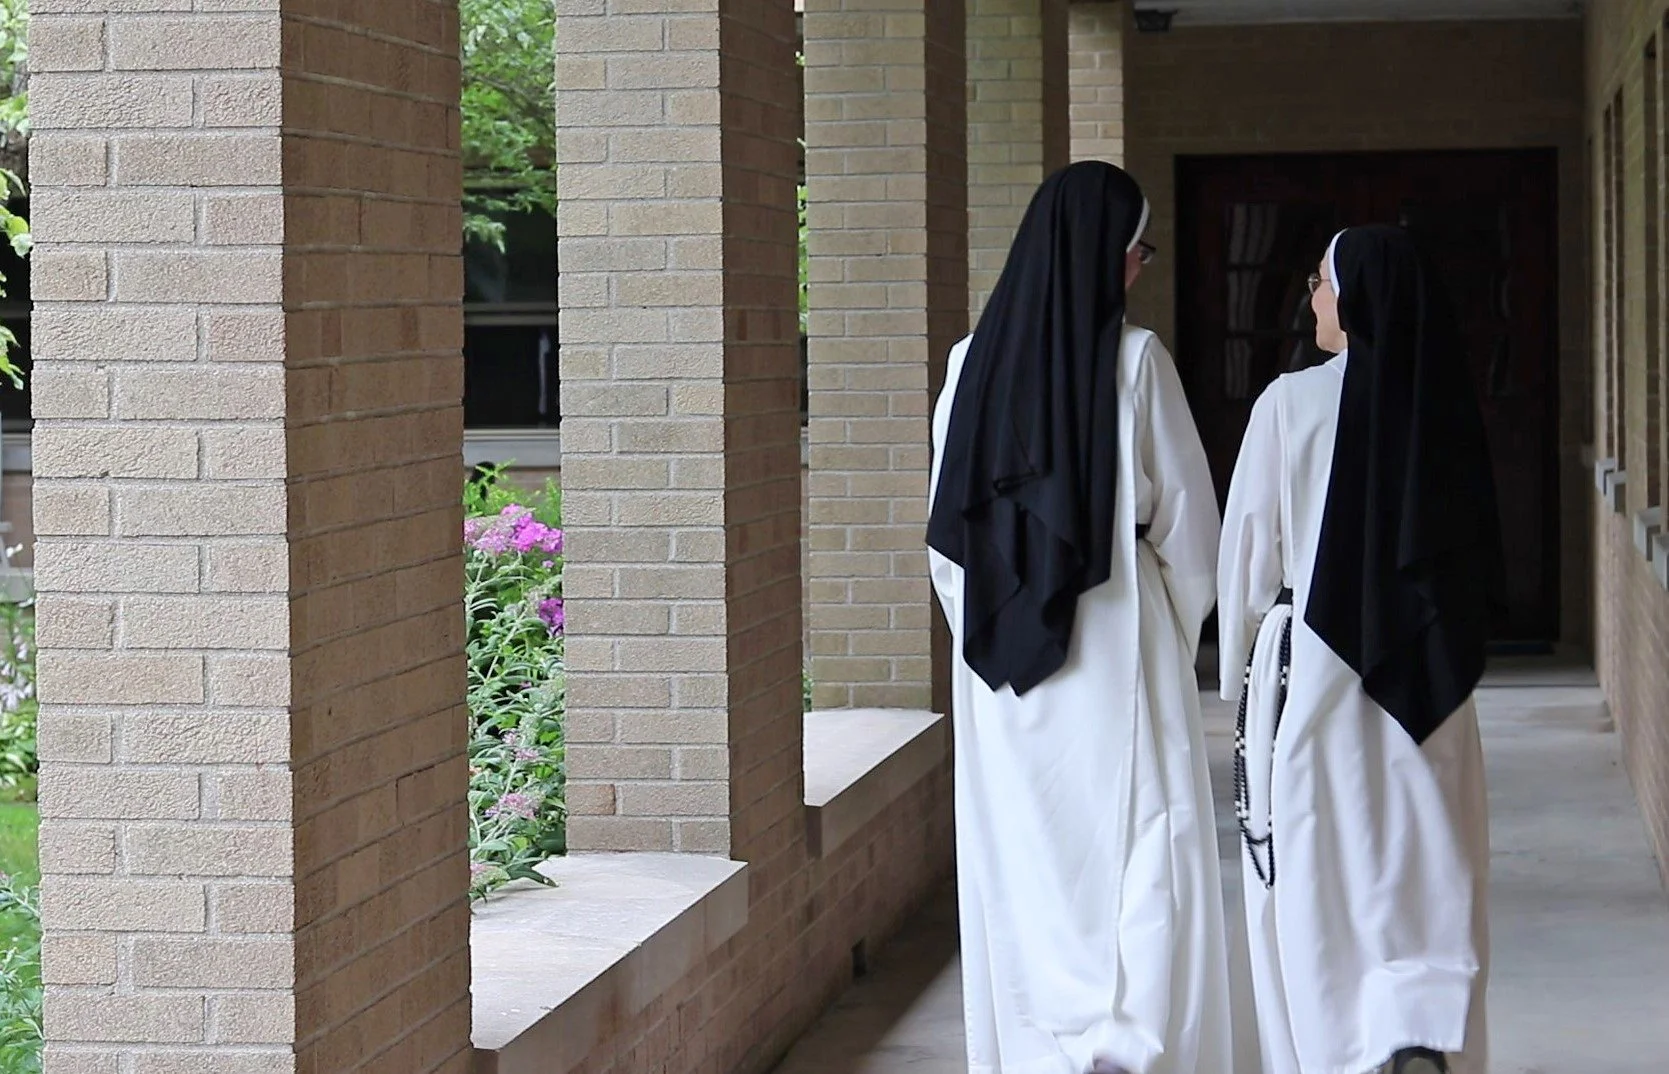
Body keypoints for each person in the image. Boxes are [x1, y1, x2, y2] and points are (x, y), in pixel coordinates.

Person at [927, 161, 1230, 1074]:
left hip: (1000, 662)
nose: (1137, 267)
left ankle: (1039, 1050)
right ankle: (1124, 1042)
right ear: (1099, 253)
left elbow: (946, 543)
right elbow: (1189, 528)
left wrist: (988, 625)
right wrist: (1175, 630)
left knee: (1024, 852)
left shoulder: (966, 365)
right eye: (1136, 249)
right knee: (1142, 839)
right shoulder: (1136, 363)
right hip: (1120, 629)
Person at [1218, 225, 1500, 1074]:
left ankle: (1339, 1050)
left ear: (1355, 297)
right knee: (1427, 867)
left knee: (1318, 875)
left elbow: (1247, 559)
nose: (1310, 298)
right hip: (1429, 678)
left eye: (1320, 281)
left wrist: (1240, 669)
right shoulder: (1440, 407)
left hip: (1314, 668)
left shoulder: (1286, 404)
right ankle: (1417, 1028)